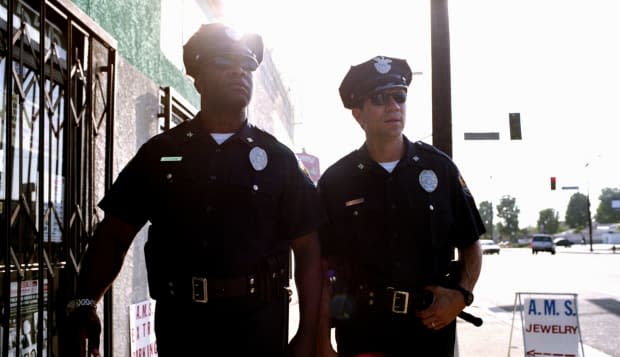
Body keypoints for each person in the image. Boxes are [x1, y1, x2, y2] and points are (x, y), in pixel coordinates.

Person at [64, 22, 322, 357]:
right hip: (183, 330)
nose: (239, 73)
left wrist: (308, 334)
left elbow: (308, 249)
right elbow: (114, 233)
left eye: (246, 66)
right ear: (198, 77)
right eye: (224, 64)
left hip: (259, 332)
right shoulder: (160, 154)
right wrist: (86, 302)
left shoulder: (279, 159)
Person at [316, 56, 484, 357]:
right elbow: (322, 267)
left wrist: (461, 295)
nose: (393, 105)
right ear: (358, 114)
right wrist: (321, 341)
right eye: (379, 98)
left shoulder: (439, 169)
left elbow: (471, 244)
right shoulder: (336, 181)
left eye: (399, 96)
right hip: (362, 332)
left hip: (429, 332)